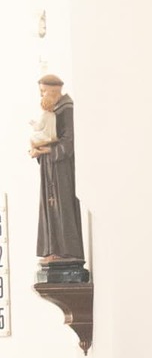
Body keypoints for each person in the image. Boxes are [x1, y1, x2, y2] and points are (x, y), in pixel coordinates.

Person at [28, 74, 85, 268]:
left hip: (62, 168)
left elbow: (68, 142)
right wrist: (38, 150)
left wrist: (46, 150)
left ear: (54, 90)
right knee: (50, 206)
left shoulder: (66, 108)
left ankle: (66, 251)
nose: (41, 95)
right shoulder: (53, 109)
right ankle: (53, 249)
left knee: (61, 206)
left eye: (43, 91)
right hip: (50, 165)